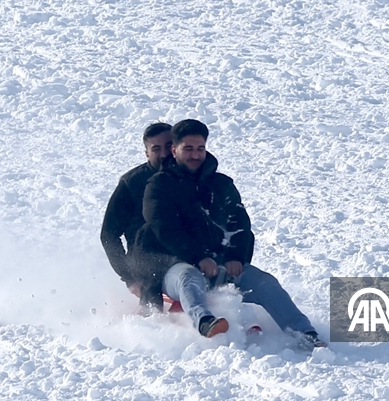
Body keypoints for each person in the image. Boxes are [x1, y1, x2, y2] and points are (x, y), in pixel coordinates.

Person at [134, 119, 325, 347]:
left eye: (200, 148)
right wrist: (197, 257)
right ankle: (205, 321)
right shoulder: (158, 186)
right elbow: (163, 226)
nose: (195, 155)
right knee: (189, 278)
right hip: (173, 266)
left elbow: (240, 222)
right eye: (188, 149)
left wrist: (237, 256)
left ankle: (305, 333)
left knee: (265, 282)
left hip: (219, 264)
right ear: (174, 150)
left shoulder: (221, 184)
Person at [100, 122, 173, 307]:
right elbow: (109, 234)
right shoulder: (132, 183)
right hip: (146, 262)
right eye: (156, 148)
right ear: (147, 153)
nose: (164, 154)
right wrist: (129, 277)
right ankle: (150, 322)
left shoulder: (191, 177)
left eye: (168, 146)